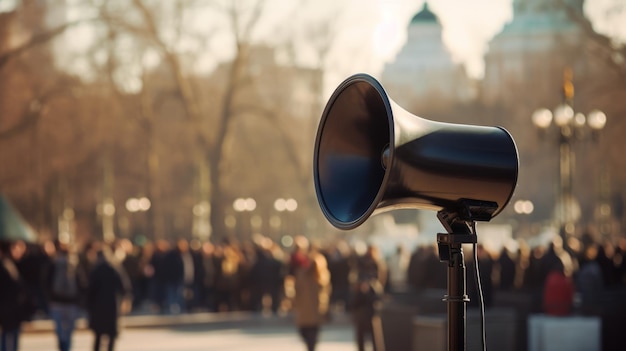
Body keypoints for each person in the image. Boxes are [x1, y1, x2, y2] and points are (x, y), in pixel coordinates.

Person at [86, 244, 131, 351]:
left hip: (98, 307)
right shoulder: (114, 268)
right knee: (111, 335)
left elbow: (89, 290)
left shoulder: (95, 270)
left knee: (98, 336)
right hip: (112, 305)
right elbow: (125, 286)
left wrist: (88, 306)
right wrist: (125, 300)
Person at [289, 236, 331, 351]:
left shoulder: (317, 269)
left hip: (314, 305)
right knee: (307, 332)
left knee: (311, 334)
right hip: (306, 305)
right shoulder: (301, 268)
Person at [44, 241, 87, 351]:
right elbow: (82, 284)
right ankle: (67, 347)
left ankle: (62, 346)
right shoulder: (75, 265)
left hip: (56, 302)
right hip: (71, 302)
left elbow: (46, 283)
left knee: (59, 330)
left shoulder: (54, 264)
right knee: (69, 330)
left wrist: (49, 298)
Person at [0, 241, 35, 351]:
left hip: (12, 310)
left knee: (11, 336)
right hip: (8, 309)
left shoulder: (13, 264)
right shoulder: (6, 266)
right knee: (9, 337)